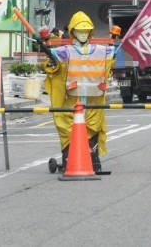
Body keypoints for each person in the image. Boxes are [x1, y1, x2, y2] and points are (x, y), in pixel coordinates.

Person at [43, 11, 116, 172]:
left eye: (85, 31)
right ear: (73, 31)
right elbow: (53, 63)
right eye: (79, 30)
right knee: (67, 125)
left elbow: (110, 61)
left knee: (94, 125)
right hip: (70, 99)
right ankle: (69, 157)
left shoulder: (102, 50)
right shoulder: (65, 51)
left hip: (93, 100)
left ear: (90, 32)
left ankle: (93, 158)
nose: (83, 34)